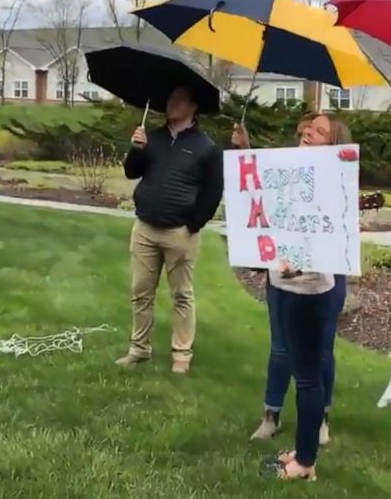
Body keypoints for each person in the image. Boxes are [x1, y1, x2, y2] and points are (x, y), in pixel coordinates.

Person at [233, 113, 350, 481]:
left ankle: (305, 463)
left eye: (320, 132)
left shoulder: (331, 180)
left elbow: (327, 239)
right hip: (282, 285)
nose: (308, 133)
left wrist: (298, 267)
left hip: (308, 290)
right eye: (308, 127)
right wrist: (244, 152)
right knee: (298, 368)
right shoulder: (291, 171)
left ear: (333, 144)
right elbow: (258, 197)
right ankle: (302, 451)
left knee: (308, 377)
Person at [115, 86, 224, 375]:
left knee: (182, 296)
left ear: (193, 107)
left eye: (178, 100)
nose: (171, 104)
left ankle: (181, 354)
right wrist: (137, 149)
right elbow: (131, 172)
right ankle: (139, 350)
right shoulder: (153, 137)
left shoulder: (206, 148)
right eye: (170, 99)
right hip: (145, 228)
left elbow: (213, 193)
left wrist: (193, 224)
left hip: (180, 233)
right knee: (141, 292)